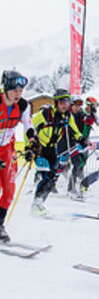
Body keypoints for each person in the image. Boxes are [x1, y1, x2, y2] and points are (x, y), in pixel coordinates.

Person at [31, 89, 85, 215]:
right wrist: (30, 145)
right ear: (56, 102)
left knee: (51, 178)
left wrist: (80, 139)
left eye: (67, 102)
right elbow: (29, 128)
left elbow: (74, 129)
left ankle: (39, 203)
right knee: (45, 175)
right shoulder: (45, 114)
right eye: (62, 102)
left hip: (51, 149)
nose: (65, 105)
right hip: (40, 147)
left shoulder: (67, 115)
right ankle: (36, 204)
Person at [0, 70, 39, 241]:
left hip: (7, 149)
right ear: (6, 89)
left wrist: (33, 141)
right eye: (15, 90)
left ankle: (0, 225)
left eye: (21, 91)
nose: (18, 94)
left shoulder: (23, 105)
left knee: (9, 191)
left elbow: (27, 125)